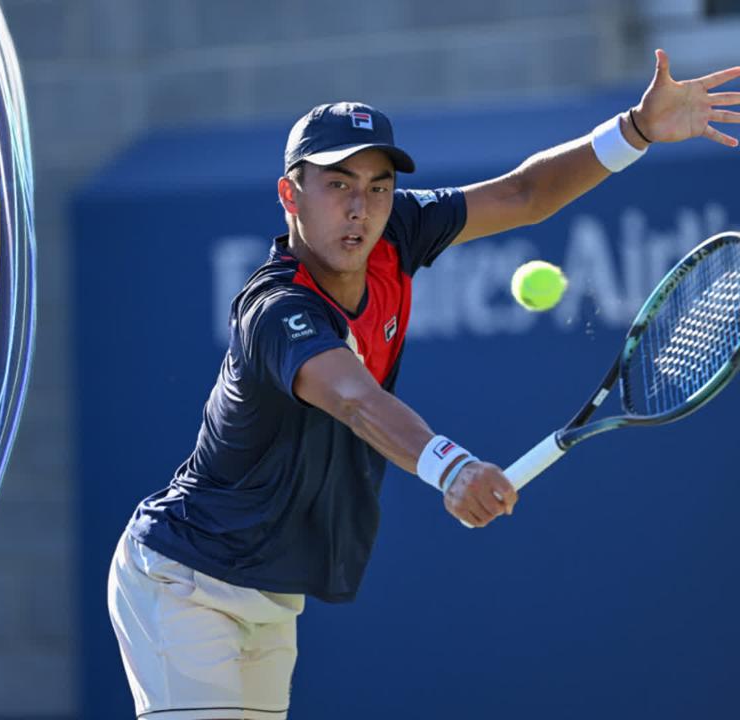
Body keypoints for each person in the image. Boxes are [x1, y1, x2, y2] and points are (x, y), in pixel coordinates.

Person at [107, 50, 740, 720]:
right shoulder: (277, 310)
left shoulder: (397, 231)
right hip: (184, 585)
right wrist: (453, 468)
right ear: (290, 195)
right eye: (338, 185)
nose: (362, 208)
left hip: (269, 600)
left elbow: (523, 195)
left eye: (378, 187)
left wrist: (635, 130)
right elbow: (355, 399)